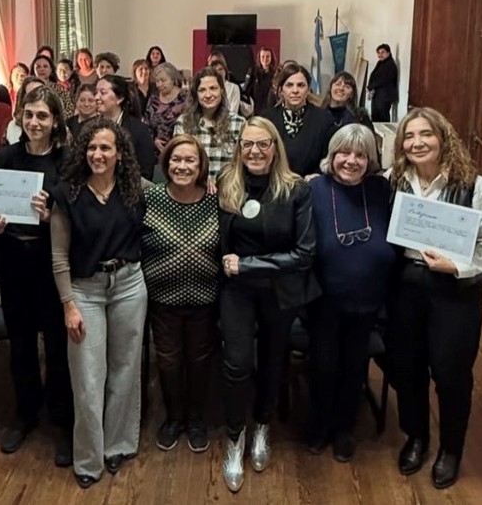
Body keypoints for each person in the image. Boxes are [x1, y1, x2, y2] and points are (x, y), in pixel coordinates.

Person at [387, 107, 482, 489]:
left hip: (455, 290)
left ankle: (450, 449)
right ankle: (417, 436)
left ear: (443, 138)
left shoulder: (474, 184)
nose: (417, 142)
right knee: (407, 367)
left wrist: (456, 266)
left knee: (451, 373)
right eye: (409, 136)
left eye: (426, 134)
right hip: (406, 285)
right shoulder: (395, 180)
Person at [218, 117, 319, 493]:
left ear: (275, 147)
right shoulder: (227, 185)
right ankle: (234, 436)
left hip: (280, 290)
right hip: (237, 291)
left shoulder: (295, 190)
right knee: (237, 363)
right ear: (239, 148)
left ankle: (262, 426)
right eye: (248, 144)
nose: (255, 151)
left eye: (263, 144)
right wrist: (238, 270)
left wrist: (248, 264)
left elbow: (305, 252)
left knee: (274, 361)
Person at [50, 118, 148, 489]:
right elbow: (59, 258)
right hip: (85, 291)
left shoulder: (135, 188)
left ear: (119, 154)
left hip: (128, 285)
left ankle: (119, 444)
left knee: (125, 368)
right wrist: (68, 305)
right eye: (91, 147)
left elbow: (178, 189)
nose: (98, 154)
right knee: (88, 377)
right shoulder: (67, 195)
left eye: (106, 147)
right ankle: (89, 458)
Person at [0, 86, 73, 465]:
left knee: (57, 347)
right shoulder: (6, 156)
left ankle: (62, 420)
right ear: (20, 118)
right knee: (20, 343)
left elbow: (78, 213)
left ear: (55, 120)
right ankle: (25, 414)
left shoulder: (68, 160)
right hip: (13, 260)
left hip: (50, 263)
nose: (35, 122)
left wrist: (51, 216)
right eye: (29, 115)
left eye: (42, 116)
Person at [305, 124, 396, 462]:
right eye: (344, 152)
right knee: (323, 365)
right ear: (332, 155)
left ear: (370, 159)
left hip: (369, 300)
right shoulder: (315, 188)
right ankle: (320, 423)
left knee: (355, 365)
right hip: (323, 300)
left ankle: (344, 427)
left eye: (361, 154)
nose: (351, 161)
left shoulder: (381, 189)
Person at [141, 135, 220, 453]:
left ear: (202, 166)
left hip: (205, 299)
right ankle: (174, 417)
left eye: (190, 160)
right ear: (166, 163)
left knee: (200, 360)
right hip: (162, 300)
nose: (182, 166)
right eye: (176, 159)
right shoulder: (151, 196)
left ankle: (197, 418)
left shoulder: (216, 198)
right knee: (170, 361)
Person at [173, 67, 246, 189]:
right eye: (202, 90)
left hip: (229, 194)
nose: (208, 95)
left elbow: (243, 165)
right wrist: (200, 178)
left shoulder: (238, 123)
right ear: (196, 94)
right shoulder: (183, 123)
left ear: (222, 91)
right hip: (193, 192)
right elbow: (178, 162)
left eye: (213, 88)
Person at [265, 65, 338, 178]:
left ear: (308, 90)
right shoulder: (267, 119)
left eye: (301, 85)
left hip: (311, 186)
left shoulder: (324, 119)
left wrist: (317, 175)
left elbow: (330, 157)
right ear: (281, 90)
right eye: (289, 85)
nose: (295, 90)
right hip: (274, 184)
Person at [95, 74, 156, 180]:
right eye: (96, 92)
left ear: (120, 98)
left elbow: (146, 171)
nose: (96, 97)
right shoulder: (89, 127)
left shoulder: (139, 130)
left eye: (103, 93)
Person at [144, 62, 188, 156]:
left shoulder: (185, 97)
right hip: (157, 153)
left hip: (181, 150)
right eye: (157, 81)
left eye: (163, 80)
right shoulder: (154, 98)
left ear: (172, 78)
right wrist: (154, 140)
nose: (159, 84)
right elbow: (146, 125)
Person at [8, 76, 47, 144]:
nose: (37, 97)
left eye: (41, 92)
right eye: (31, 94)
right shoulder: (14, 126)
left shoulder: (56, 123)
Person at [368, 44, 398, 122]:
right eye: (379, 52)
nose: (380, 55)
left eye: (383, 52)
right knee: (375, 117)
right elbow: (373, 75)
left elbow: (382, 80)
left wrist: (371, 86)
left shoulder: (390, 65)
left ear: (388, 53)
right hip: (378, 96)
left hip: (385, 97)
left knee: (382, 119)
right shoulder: (380, 63)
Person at [247, 46, 276, 116]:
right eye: (263, 56)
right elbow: (247, 90)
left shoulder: (276, 73)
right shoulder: (253, 71)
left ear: (271, 58)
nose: (265, 59)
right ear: (259, 58)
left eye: (267, 56)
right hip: (255, 109)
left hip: (270, 109)